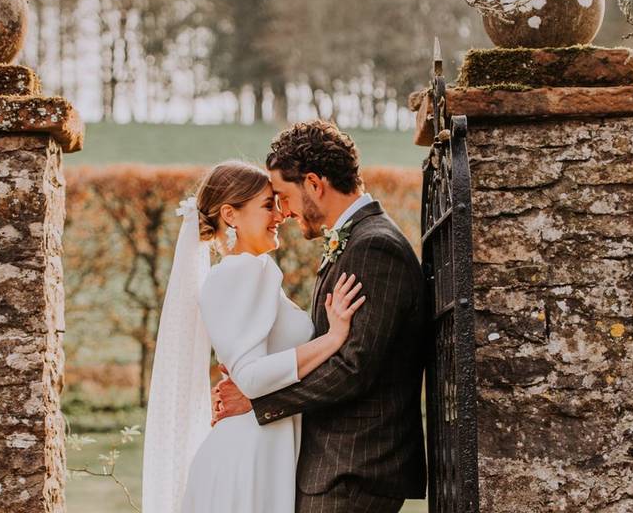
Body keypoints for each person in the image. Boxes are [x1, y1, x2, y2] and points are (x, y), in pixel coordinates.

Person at [213, 120, 428, 513]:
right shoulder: (355, 242)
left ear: (313, 184)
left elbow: (354, 367)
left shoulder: (373, 246)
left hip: (354, 467)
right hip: (337, 466)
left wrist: (258, 402)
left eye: (283, 196)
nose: (284, 211)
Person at [142, 159, 366, 513]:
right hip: (248, 458)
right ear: (231, 215)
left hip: (265, 449)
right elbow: (249, 377)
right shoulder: (241, 272)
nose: (280, 215)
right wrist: (333, 339)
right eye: (267, 205)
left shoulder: (254, 271)